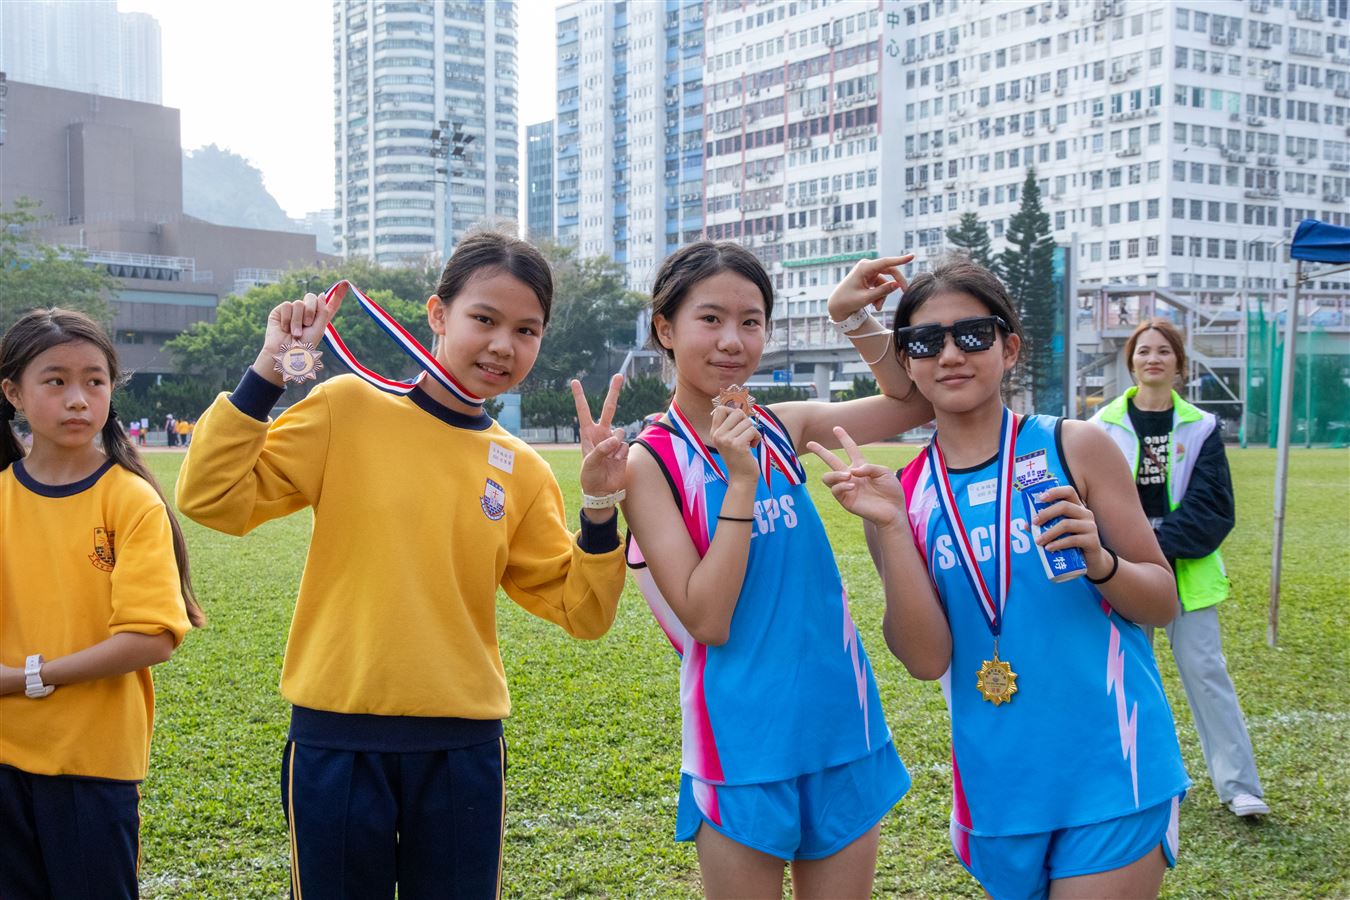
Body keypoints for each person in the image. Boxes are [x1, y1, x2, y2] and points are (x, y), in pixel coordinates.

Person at [175, 231, 628, 898]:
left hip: (462, 749)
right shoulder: (347, 408)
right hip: (337, 738)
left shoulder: (523, 470)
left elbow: (582, 611)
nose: (503, 346)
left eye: (526, 330)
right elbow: (211, 497)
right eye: (484, 319)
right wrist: (271, 368)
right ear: (438, 314)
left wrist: (599, 505)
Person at [812, 261, 1190, 900]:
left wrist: (1101, 562)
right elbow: (925, 660)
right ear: (906, 362)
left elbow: (1161, 601)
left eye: (972, 334)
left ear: (1009, 348)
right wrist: (894, 530)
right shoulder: (902, 495)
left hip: (1113, 769)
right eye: (925, 341)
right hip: (996, 792)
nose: (949, 355)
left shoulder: (1075, 447)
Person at [621, 242, 933, 898]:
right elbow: (707, 619)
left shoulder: (784, 427)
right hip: (742, 744)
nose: (732, 341)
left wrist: (852, 318)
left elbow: (915, 403)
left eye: (751, 321)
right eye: (710, 319)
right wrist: (740, 482)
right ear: (665, 329)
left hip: (842, 723)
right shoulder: (651, 462)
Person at [0, 308, 205, 899]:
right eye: (55, 380)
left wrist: (25, 677)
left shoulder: (129, 499)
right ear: (13, 393)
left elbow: (152, 638)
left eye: (95, 381)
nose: (78, 399)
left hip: (92, 763)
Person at [1091, 318, 1267, 818]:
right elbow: (1090, 498)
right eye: (1144, 351)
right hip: (1124, 570)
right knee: (1127, 678)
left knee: (1207, 673)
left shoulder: (1202, 426)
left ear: (1179, 366)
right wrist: (1127, 554)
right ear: (1131, 363)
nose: (1153, 358)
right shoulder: (1101, 426)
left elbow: (1214, 505)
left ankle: (1239, 787)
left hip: (1188, 571)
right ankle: (1136, 783)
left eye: (1164, 351)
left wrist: (1156, 549)